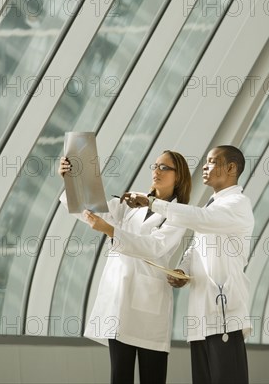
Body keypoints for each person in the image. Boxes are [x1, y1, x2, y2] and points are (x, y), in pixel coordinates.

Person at [122, 145, 254, 384]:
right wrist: (182, 269)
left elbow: (200, 220)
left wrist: (152, 203)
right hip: (201, 320)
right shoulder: (212, 205)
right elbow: (196, 246)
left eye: (213, 161)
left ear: (232, 167)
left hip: (225, 317)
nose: (204, 166)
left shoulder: (237, 203)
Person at [58, 150, 191, 384]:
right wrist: (69, 181)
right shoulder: (129, 204)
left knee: (153, 377)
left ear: (178, 176)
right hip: (119, 302)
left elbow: (154, 247)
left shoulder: (178, 214)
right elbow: (90, 211)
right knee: (119, 376)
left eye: (164, 168)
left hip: (149, 304)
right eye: (155, 166)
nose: (156, 171)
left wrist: (110, 230)